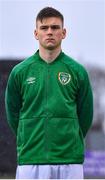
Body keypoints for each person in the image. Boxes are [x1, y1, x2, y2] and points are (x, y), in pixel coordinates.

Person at [5, 7, 93, 179]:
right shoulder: (20, 72)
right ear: (36, 33)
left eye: (55, 27)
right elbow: (13, 114)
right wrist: (28, 134)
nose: (50, 32)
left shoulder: (77, 71)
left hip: (69, 160)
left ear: (64, 32)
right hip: (31, 159)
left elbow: (86, 116)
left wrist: (68, 136)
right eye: (44, 28)